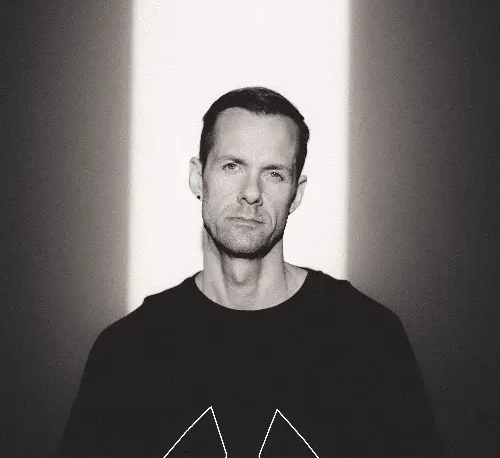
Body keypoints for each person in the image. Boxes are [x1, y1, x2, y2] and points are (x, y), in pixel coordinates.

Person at [55, 87, 444, 457]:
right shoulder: (128, 351)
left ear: (296, 193)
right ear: (197, 177)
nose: (251, 193)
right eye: (232, 166)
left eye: (274, 173)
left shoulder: (368, 338)